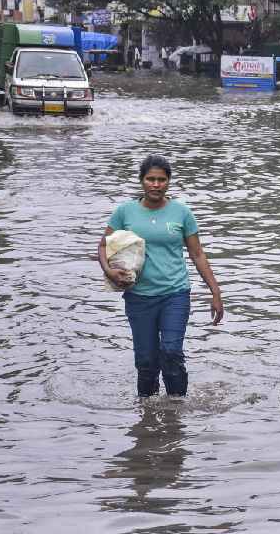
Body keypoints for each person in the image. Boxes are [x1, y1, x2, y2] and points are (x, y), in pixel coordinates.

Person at [98, 155, 224, 397]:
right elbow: (103, 245)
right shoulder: (125, 212)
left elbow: (198, 254)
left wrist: (216, 292)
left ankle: (176, 409)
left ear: (168, 182)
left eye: (161, 180)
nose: (156, 185)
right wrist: (108, 271)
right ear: (142, 181)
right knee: (145, 362)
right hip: (138, 296)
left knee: (171, 352)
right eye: (150, 179)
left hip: (175, 295)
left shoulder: (181, 212)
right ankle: (147, 416)